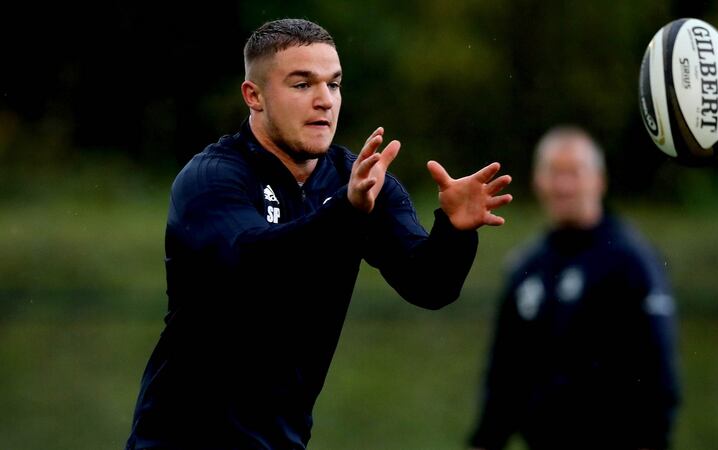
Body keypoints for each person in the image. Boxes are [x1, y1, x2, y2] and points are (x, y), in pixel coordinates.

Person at [124, 18, 512, 450]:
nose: (324, 101)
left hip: (283, 439)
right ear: (254, 96)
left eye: (334, 84)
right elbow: (253, 263)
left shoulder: (358, 180)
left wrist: (455, 230)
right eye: (302, 84)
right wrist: (346, 213)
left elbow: (429, 284)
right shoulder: (212, 179)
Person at [468, 126, 680, 450]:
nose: (563, 185)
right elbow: (504, 378)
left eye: (575, 173)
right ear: (537, 181)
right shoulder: (526, 267)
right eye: (553, 173)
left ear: (599, 180)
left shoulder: (631, 261)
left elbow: (659, 377)